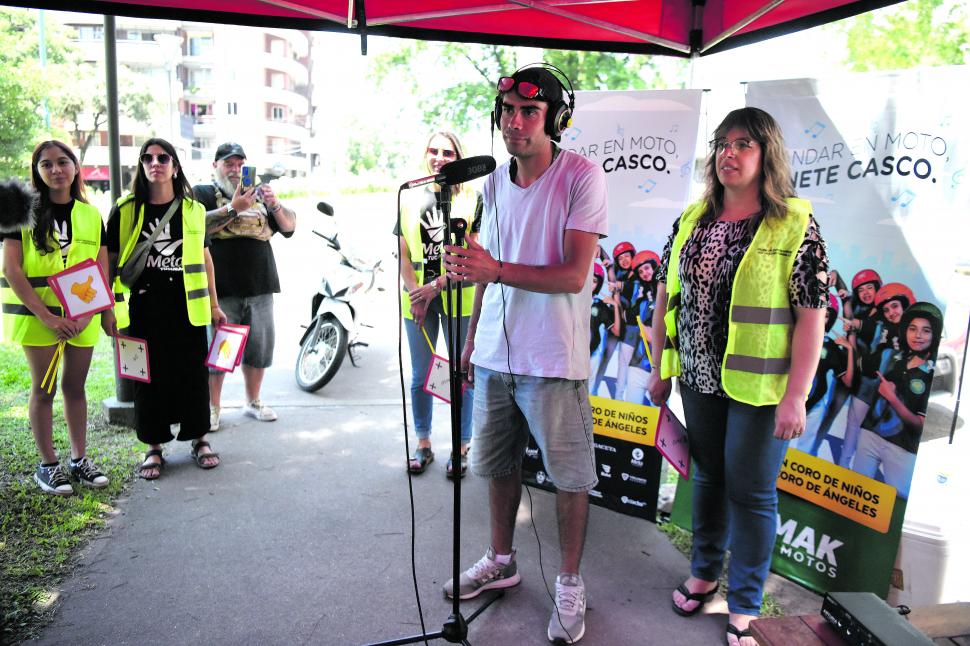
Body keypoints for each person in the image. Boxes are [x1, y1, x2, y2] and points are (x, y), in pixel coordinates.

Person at [647, 107, 828, 646]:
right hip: (698, 378)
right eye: (723, 143)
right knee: (707, 478)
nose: (729, 153)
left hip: (761, 389)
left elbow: (812, 316)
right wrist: (662, 368)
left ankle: (745, 600)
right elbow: (664, 295)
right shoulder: (691, 219)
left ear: (766, 153)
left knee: (751, 494)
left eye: (743, 144)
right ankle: (704, 571)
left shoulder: (793, 222)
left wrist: (796, 396)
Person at [442, 63, 607, 645]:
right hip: (493, 355)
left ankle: (568, 581)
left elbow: (572, 275)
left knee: (569, 478)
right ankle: (501, 559)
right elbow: (489, 268)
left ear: (555, 119)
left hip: (553, 361)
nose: (515, 123)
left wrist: (494, 268)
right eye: (507, 111)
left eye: (529, 112)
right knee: (497, 464)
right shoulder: (491, 183)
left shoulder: (581, 178)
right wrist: (470, 339)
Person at [1, 140, 115, 495]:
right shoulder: (20, 208)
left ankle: (79, 460)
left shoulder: (90, 213)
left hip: (82, 318)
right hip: (38, 317)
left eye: (62, 162)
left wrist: (96, 312)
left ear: (76, 167)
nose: (55, 170)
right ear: (37, 171)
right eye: (46, 164)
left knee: (75, 388)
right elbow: (12, 269)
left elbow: (100, 267)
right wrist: (49, 317)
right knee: (44, 388)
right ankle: (47, 465)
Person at [106, 138, 224, 478]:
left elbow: (204, 257)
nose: (154, 162)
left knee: (191, 373)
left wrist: (215, 305)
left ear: (175, 165)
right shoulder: (126, 208)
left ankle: (199, 439)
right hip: (141, 305)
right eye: (148, 158)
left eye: (162, 157)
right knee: (146, 377)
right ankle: (154, 447)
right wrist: (106, 309)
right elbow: (109, 261)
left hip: (187, 306)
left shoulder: (193, 209)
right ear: (142, 165)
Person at [394, 131, 482, 477]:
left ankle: (461, 446)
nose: (439, 157)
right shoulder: (409, 197)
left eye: (447, 151)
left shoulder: (472, 197)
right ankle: (424, 443)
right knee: (421, 374)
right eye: (433, 150)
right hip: (416, 301)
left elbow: (470, 253)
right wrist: (416, 293)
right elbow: (402, 253)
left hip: (458, 297)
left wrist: (434, 288)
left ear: (459, 156)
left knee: (461, 374)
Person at [193, 143, 296, 430]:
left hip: (261, 283)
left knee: (260, 348)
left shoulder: (259, 195)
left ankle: (253, 400)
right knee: (220, 350)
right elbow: (194, 228)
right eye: (229, 163)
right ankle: (213, 407)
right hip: (222, 288)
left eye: (240, 164)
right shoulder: (202, 193)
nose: (235, 169)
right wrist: (233, 209)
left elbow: (288, 227)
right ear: (216, 166)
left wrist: (273, 202)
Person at [854, 302, 941, 498]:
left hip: (902, 447)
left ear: (934, 335)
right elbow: (855, 363)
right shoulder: (892, 356)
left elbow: (919, 426)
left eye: (925, 331)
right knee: (855, 493)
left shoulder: (934, 374)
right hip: (869, 435)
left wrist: (892, 398)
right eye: (913, 329)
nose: (918, 335)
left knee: (896, 505)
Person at [839, 268, 883, 468]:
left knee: (861, 429)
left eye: (870, 288)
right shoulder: (858, 308)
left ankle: (854, 470)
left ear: (878, 289)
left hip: (871, 381)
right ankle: (843, 465)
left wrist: (854, 324)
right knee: (852, 425)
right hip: (853, 372)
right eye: (862, 290)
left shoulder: (886, 311)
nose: (866, 293)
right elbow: (848, 310)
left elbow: (876, 331)